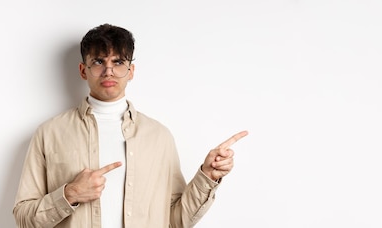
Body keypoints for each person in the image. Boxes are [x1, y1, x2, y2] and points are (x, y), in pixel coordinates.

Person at [13, 23, 248, 228]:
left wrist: (208, 175)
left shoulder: (158, 136)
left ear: (131, 71)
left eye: (118, 62)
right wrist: (70, 194)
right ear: (83, 70)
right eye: (98, 61)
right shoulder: (50, 133)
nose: (108, 71)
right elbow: (23, 218)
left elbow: (176, 221)